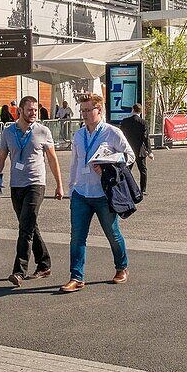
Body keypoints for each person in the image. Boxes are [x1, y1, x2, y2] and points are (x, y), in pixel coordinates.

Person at [61, 92, 133, 293]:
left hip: (103, 194)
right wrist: (71, 189)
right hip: (81, 193)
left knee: (112, 233)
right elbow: (75, 162)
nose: (84, 114)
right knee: (77, 237)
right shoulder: (78, 134)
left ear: (98, 110)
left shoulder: (111, 133)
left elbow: (129, 156)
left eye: (87, 110)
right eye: (82, 110)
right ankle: (76, 277)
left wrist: (109, 164)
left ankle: (121, 267)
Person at [0, 95, 64, 286]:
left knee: (25, 228)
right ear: (20, 110)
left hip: (35, 184)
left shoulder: (43, 131)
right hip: (17, 185)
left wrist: (59, 184)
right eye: (30, 110)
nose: (33, 113)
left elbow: (53, 159)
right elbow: (1, 157)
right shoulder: (8, 132)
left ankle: (19, 271)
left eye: (36, 110)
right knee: (29, 226)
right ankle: (44, 263)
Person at [119, 103, 151, 195]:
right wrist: (149, 151)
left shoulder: (125, 121)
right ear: (141, 112)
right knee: (143, 170)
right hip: (140, 150)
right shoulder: (143, 123)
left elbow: (120, 136)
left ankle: (124, 188)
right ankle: (143, 190)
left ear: (132, 110)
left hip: (128, 150)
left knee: (126, 170)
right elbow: (146, 138)